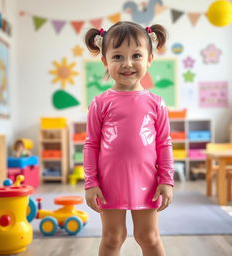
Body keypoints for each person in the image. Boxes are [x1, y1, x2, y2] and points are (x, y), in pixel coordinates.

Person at [83, 21, 174, 256]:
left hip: (148, 181)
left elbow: (164, 143)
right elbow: (91, 144)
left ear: (149, 59)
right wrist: (91, 182)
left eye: (136, 55)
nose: (127, 64)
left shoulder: (156, 103)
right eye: (118, 57)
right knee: (113, 238)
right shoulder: (100, 103)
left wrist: (166, 179)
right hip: (109, 183)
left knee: (149, 237)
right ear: (105, 61)